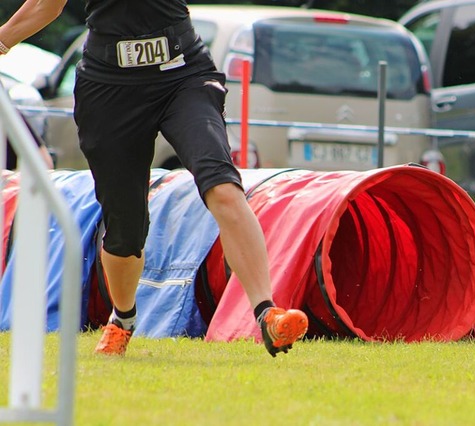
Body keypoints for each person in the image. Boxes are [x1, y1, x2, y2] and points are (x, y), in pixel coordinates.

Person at [0, 0, 308, 357]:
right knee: (125, 228)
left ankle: (267, 313)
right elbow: (44, 5)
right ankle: (123, 319)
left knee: (221, 185)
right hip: (108, 88)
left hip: (182, 73)